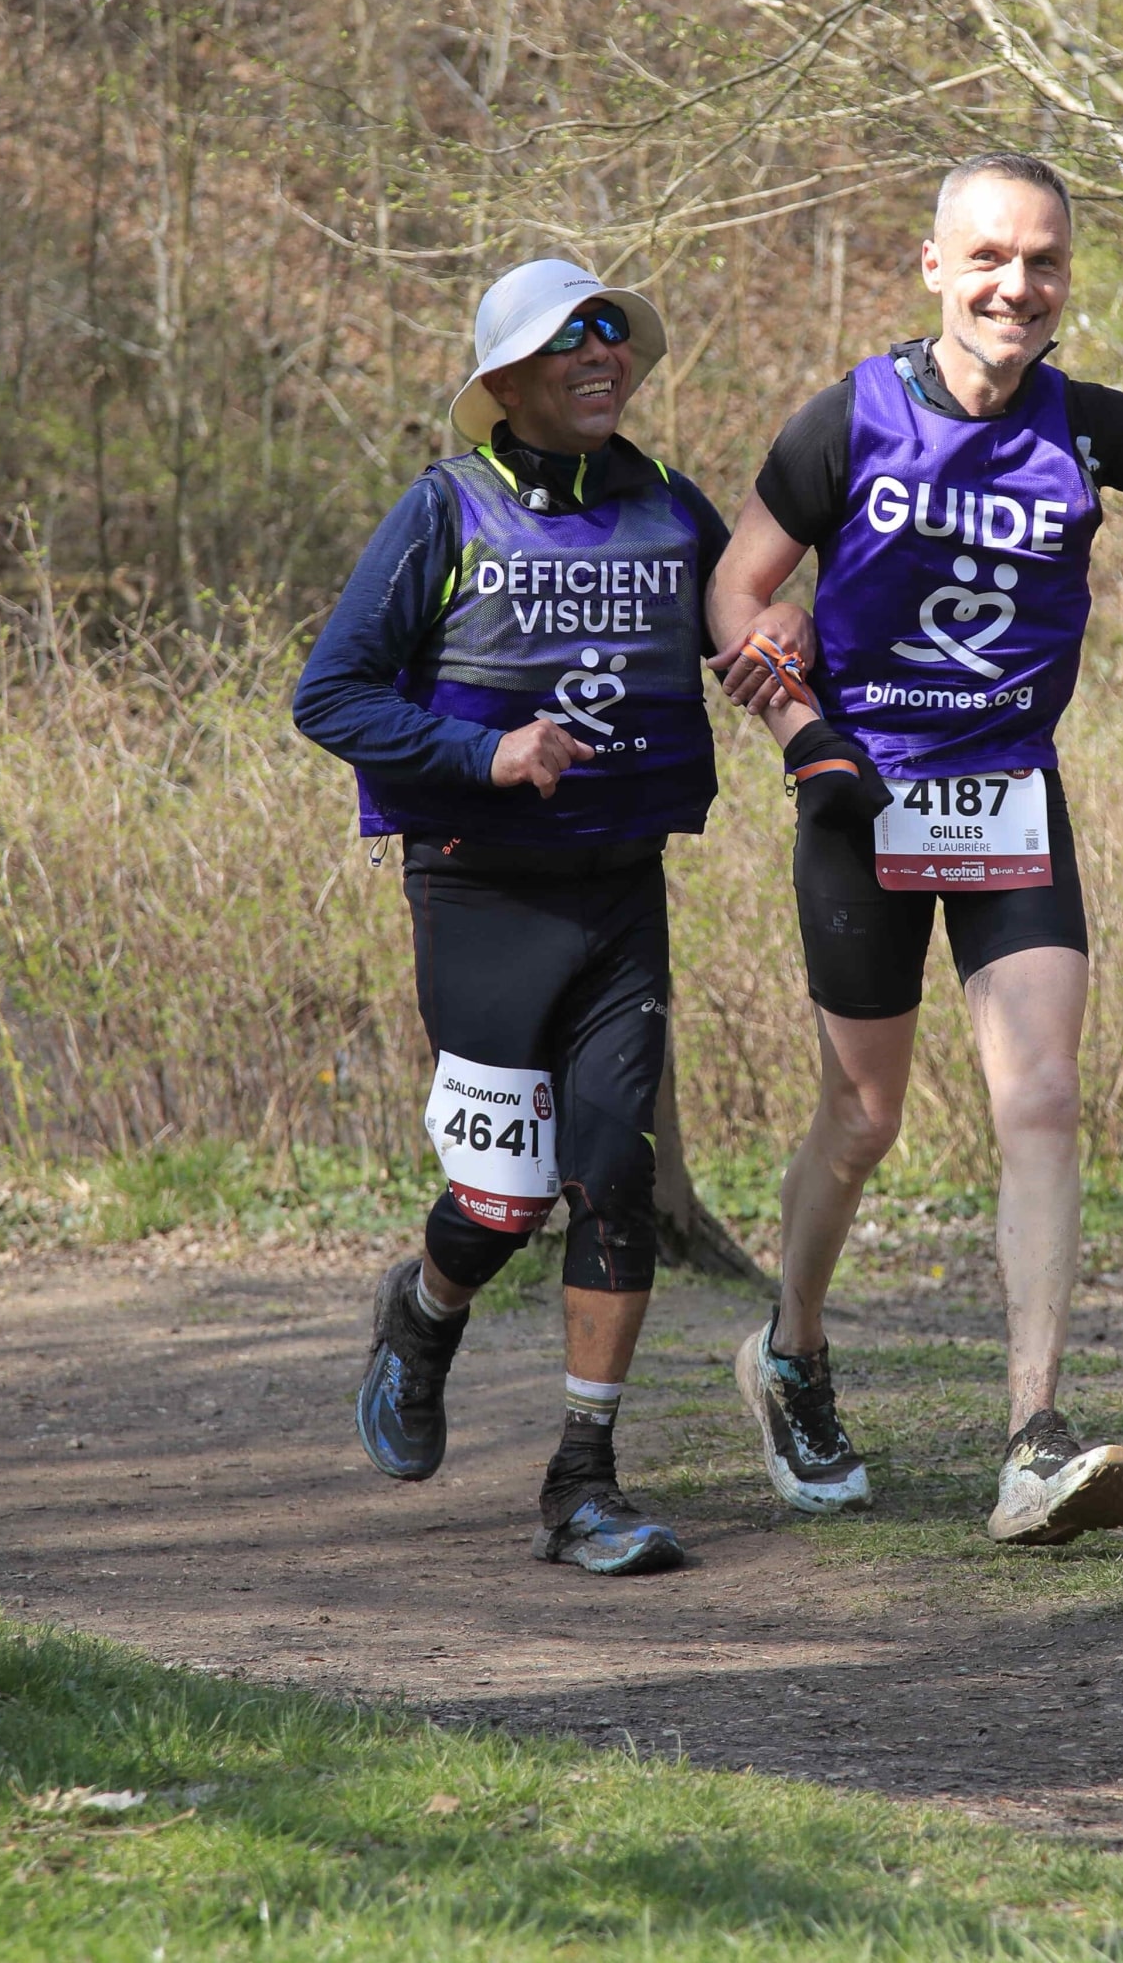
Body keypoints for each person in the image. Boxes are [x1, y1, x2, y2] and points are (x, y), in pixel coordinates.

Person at [707, 152, 1123, 1547]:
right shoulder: (849, 419)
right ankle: (789, 1352)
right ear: (934, 267)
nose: (1016, 284)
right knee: (864, 1119)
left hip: (1005, 797)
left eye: (1043, 261)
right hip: (863, 800)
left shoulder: (1088, 426)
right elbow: (737, 587)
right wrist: (801, 728)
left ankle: (1033, 1437)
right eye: (989, 257)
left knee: (1040, 1096)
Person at [294, 254, 730, 1575]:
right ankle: (421, 1316)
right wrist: (485, 756)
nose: (604, 359)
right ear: (508, 379)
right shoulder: (443, 512)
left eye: (616, 339)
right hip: (481, 891)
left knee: (613, 1180)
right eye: (569, 344)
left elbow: (749, 622)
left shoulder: (671, 509)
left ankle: (583, 1484)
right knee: (501, 1201)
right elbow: (331, 697)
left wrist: (798, 666)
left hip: (619, 893)